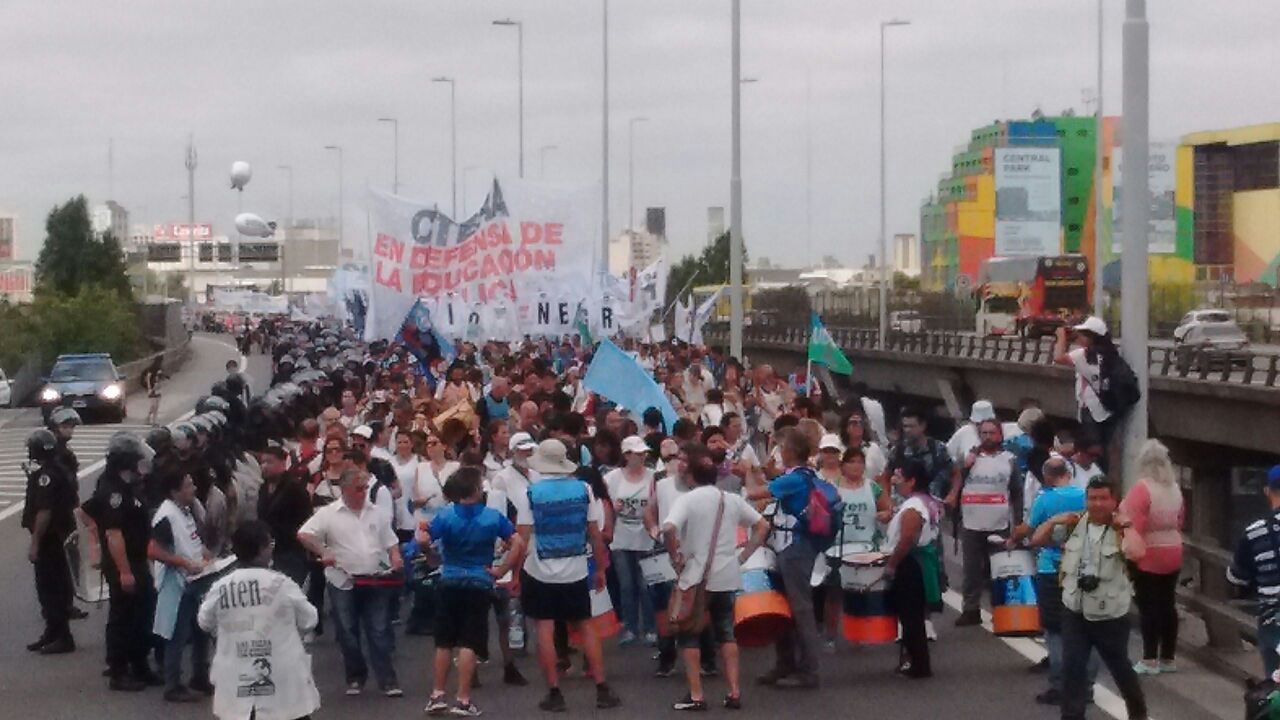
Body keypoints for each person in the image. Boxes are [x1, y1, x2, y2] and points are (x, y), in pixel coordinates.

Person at [662, 444, 770, 711]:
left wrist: (675, 556)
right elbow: (762, 525)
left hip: (695, 576)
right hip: (727, 574)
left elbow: (668, 528)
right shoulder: (729, 499)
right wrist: (743, 556)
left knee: (689, 635)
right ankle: (734, 691)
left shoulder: (686, 500)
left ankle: (697, 694)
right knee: (726, 633)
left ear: (691, 476)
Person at [516, 439, 622, 712]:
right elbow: (595, 534)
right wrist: (599, 568)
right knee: (586, 625)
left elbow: (523, 537)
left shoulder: (532, 493)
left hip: (540, 568)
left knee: (545, 628)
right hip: (575, 566)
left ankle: (554, 691)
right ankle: (602, 687)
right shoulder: (584, 489)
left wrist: (514, 572)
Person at [419, 466, 526, 717]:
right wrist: (501, 570)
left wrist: (430, 555)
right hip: (479, 580)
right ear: (477, 490)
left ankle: (437, 694)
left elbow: (424, 538)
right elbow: (518, 543)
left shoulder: (446, 515)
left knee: (444, 641)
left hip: (450, 578)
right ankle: (463, 699)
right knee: (469, 641)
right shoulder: (492, 516)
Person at [1039, 478, 1148, 720]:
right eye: (1092, 498)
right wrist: (1053, 520)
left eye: (1103, 498)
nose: (1097, 504)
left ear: (1114, 501)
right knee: (1072, 667)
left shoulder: (1121, 528)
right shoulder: (1075, 523)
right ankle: (1072, 715)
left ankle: (1138, 712)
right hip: (1075, 608)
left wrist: (1127, 526)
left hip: (1109, 613)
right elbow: (1038, 540)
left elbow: (1139, 553)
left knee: (1119, 666)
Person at [297, 468, 405, 698]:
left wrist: (395, 556)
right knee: (347, 631)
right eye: (359, 489)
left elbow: (390, 541)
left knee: (379, 630)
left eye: (365, 488)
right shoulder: (328, 513)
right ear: (345, 490)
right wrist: (323, 550)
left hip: (375, 577)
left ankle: (387, 679)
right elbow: (304, 534)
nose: (363, 493)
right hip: (343, 580)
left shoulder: (377, 513)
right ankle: (356, 676)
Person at [198, 521, 321, 720]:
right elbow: (310, 619)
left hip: (235, 675)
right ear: (263, 549)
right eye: (269, 544)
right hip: (281, 676)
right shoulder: (282, 584)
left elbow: (204, 621)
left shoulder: (220, 587)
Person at [746, 428, 826, 689]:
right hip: (794, 546)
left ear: (790, 451)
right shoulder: (804, 475)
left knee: (800, 608)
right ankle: (787, 663)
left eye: (781, 448)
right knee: (785, 607)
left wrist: (749, 470)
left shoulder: (794, 479)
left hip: (794, 548)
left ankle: (807, 670)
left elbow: (754, 492)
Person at [82, 432, 159, 691]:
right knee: (124, 617)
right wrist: (124, 571)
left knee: (143, 613)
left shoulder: (127, 486)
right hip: (125, 564)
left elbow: (86, 509)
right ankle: (118, 670)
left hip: (137, 559)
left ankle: (139, 664)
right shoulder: (113, 491)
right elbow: (114, 534)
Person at [1019, 455, 1098, 706]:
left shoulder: (1045, 499)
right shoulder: (1087, 496)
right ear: (1068, 472)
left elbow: (1030, 530)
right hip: (1084, 568)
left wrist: (1013, 538)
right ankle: (1086, 687)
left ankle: (1059, 685)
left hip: (1051, 568)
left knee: (1054, 629)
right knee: (1088, 629)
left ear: (1046, 477)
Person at [945, 418, 1023, 626]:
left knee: (999, 570)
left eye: (992, 433)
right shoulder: (968, 459)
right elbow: (952, 481)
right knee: (971, 570)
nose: (988, 437)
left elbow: (1017, 493)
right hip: (971, 522)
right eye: (984, 433)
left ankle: (1002, 611)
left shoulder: (1009, 460)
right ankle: (970, 609)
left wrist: (1019, 524)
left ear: (1000, 435)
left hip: (999, 524)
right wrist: (964, 465)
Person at [1119, 439, 1185, 675]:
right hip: (1174, 549)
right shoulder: (1174, 488)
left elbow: (1134, 524)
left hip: (1148, 551)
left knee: (1148, 606)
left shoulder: (1142, 489)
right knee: (1168, 604)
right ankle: (1168, 657)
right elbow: (1180, 521)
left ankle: (1149, 659)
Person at [147, 471, 213, 702]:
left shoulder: (186, 510)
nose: (193, 488)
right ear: (175, 492)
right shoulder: (166, 515)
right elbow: (154, 550)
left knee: (201, 630)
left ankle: (199, 676)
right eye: (188, 485)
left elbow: (190, 539)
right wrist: (185, 563)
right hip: (177, 583)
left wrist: (203, 554)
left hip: (195, 579)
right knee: (176, 634)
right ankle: (172, 684)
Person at [822, 446, 892, 647]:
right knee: (834, 593)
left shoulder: (872, 487)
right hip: (838, 547)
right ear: (843, 466)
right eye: (851, 462)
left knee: (861, 592)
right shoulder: (832, 487)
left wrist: (885, 515)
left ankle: (859, 633)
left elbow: (888, 508)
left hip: (866, 547)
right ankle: (830, 635)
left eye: (860, 462)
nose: (856, 466)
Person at [22, 428, 78, 655]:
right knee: (55, 585)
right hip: (61, 536)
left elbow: (44, 511)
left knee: (51, 588)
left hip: (51, 540)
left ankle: (62, 636)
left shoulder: (47, 475)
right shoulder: (60, 470)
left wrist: (35, 542)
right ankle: (53, 632)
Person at [883, 461, 940, 679]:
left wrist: (892, 564)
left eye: (900, 476)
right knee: (912, 614)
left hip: (910, 564)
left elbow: (907, 539)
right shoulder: (926, 502)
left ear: (912, 480)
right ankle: (917, 662)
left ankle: (919, 665)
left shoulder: (914, 507)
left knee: (911, 616)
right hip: (917, 562)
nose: (895, 481)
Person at [604, 435, 658, 646]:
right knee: (626, 585)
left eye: (643, 453)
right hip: (621, 537)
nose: (642, 457)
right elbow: (604, 508)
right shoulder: (612, 479)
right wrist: (612, 511)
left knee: (647, 585)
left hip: (647, 538)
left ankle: (651, 627)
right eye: (637, 454)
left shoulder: (654, 477)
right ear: (626, 455)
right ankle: (630, 627)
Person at [1228, 464, 1280, 676]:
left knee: (1274, 680)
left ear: (1267, 491)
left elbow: (1236, 577)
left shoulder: (1254, 532)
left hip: (1272, 617)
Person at [1053, 316, 1119, 466]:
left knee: (1091, 450)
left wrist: (1061, 337)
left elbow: (1058, 357)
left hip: (1090, 409)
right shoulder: (1110, 354)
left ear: (1091, 337)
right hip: (1108, 408)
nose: (1078, 337)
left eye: (1082, 334)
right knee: (1103, 449)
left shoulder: (1084, 356)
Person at [257, 445, 314, 587]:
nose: (264, 466)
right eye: (262, 462)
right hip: (269, 549)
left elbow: (305, 519)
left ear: (283, 463)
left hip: (291, 550)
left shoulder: (295, 489)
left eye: (269, 462)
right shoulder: (263, 488)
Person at [142, 356, 165, 426]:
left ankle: (154, 421)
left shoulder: (160, 369)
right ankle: (149, 418)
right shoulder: (151, 369)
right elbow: (148, 378)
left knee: (156, 406)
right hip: (153, 388)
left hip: (158, 388)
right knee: (153, 405)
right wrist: (149, 388)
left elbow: (161, 379)